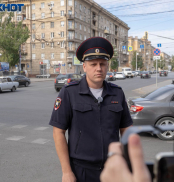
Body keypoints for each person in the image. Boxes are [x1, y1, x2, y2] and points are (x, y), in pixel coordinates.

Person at [49, 37, 133, 182]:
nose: (98, 68)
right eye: (93, 64)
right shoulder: (69, 93)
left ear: (107, 66)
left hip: (113, 168)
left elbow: (126, 130)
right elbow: (58, 132)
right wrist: (66, 171)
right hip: (81, 171)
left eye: (102, 64)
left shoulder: (117, 93)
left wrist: (129, 164)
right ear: (85, 67)